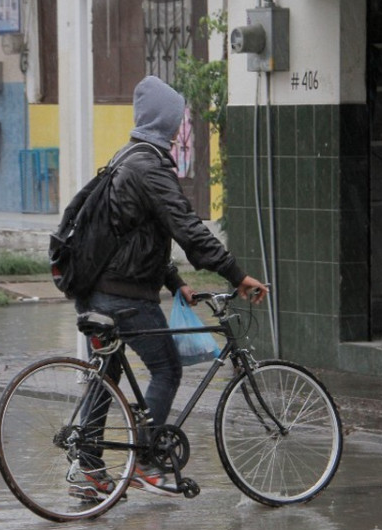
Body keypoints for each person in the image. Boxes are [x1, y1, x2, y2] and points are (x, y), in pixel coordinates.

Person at [73, 75, 268, 499]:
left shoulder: (127, 156)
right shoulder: (149, 166)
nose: (181, 128)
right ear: (166, 120)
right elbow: (186, 227)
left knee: (105, 376)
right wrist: (235, 274)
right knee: (167, 368)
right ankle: (146, 461)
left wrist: (175, 280)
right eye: (178, 119)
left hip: (98, 290)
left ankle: (88, 472)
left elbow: (136, 233)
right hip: (123, 296)